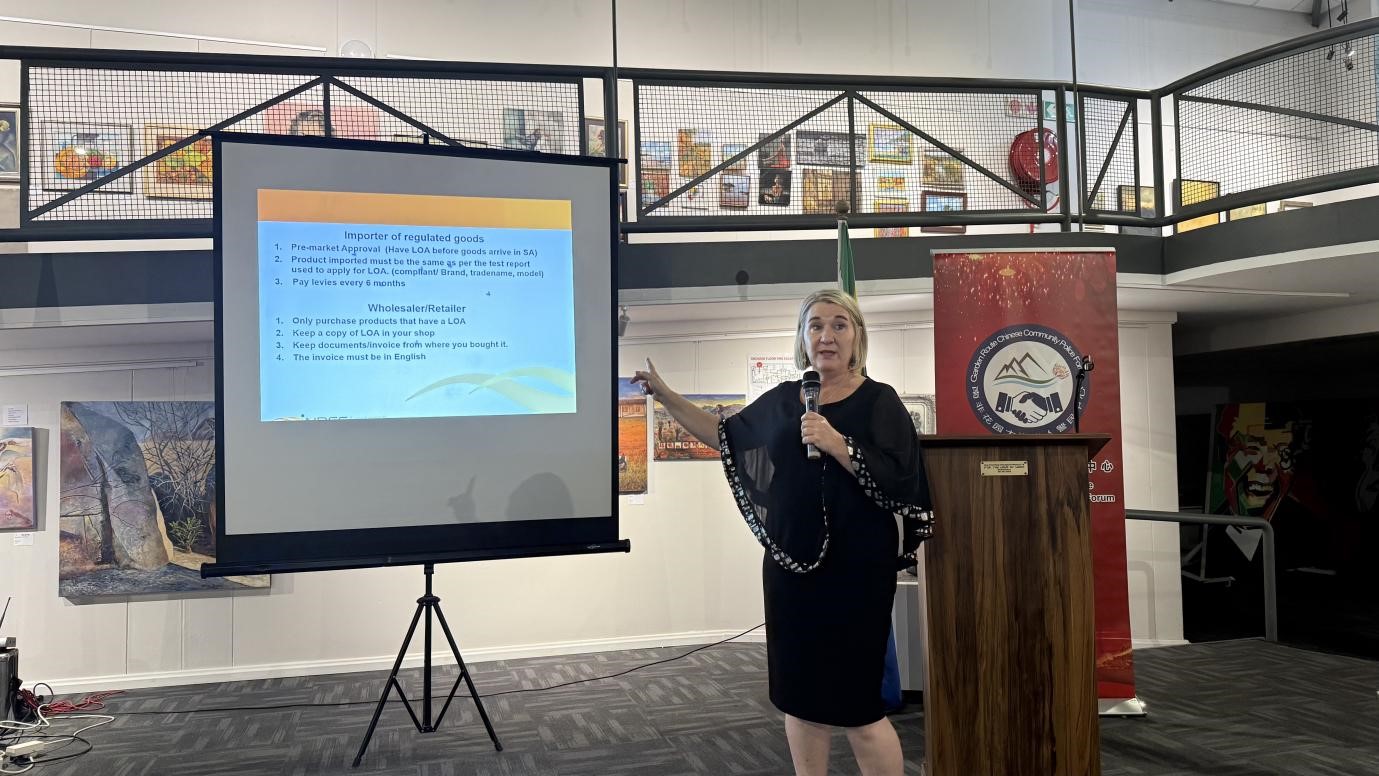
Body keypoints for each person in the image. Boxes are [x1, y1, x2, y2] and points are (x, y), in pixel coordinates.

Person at [632, 288, 932, 776]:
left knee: (859, 706)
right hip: (792, 570)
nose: (827, 335)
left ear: (857, 337)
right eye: (816, 325)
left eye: (839, 325)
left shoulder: (880, 401)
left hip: (858, 573)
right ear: (802, 338)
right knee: (801, 698)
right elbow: (724, 435)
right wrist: (665, 395)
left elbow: (904, 479)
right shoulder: (782, 401)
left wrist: (839, 444)